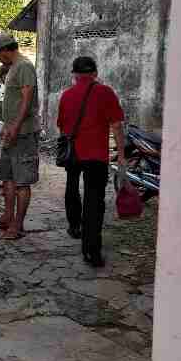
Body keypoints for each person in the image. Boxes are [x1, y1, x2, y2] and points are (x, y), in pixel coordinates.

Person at [57, 56, 126, 267]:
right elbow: (116, 125)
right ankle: (91, 251)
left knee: (71, 186)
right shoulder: (105, 92)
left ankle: (74, 226)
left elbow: (62, 126)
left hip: (73, 153)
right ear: (95, 73)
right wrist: (121, 153)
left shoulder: (66, 95)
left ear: (74, 75)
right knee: (94, 201)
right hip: (96, 154)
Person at [0, 33, 39, 240]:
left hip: (24, 133)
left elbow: (26, 100)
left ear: (5, 50)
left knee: (21, 182)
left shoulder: (25, 66)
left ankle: (17, 225)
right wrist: (7, 126)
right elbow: (14, 101)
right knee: (7, 177)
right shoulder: (13, 69)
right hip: (12, 132)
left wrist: (16, 126)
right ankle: (7, 217)